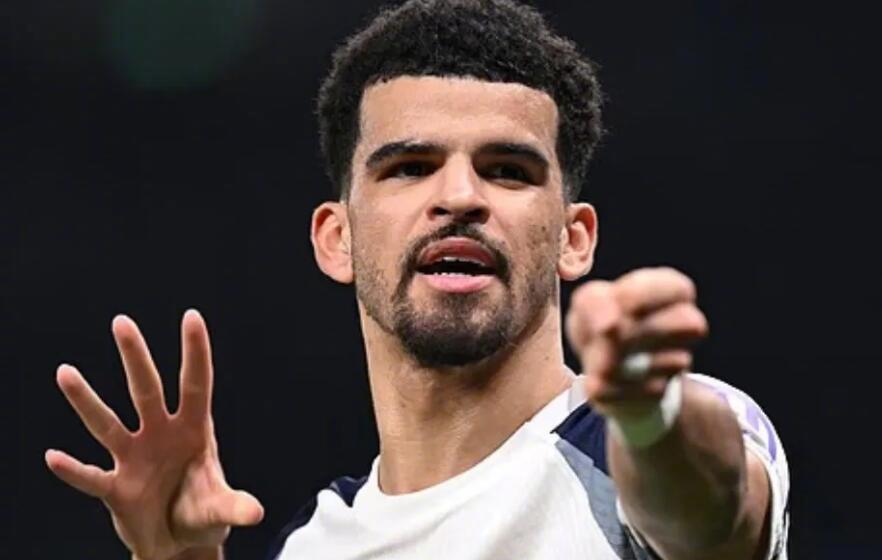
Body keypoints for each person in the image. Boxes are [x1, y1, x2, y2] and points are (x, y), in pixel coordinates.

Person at [45, 1, 790, 559]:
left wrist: (647, 417)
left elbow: (709, 513)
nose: (460, 196)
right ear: (337, 239)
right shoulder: (313, 546)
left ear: (574, 238)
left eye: (508, 170)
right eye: (410, 167)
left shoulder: (648, 438)